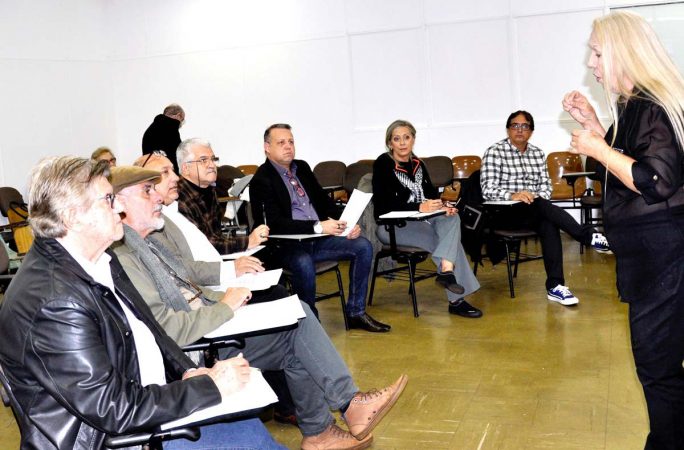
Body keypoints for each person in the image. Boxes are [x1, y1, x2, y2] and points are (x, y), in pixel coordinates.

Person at [110, 165, 408, 450]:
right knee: (297, 325)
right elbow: (168, 329)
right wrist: (225, 306)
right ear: (120, 203)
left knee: (297, 316)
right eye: (147, 191)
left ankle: (329, 423)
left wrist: (228, 292)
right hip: (199, 350)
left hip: (210, 324)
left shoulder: (147, 244)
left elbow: (189, 277)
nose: (158, 197)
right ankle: (333, 420)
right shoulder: (125, 258)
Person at [0, 156, 284, 450]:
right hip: (119, 438)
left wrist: (188, 371)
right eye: (108, 199)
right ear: (73, 217)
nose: (119, 208)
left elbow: (152, 329)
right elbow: (113, 410)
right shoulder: (55, 302)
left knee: (250, 426)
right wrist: (207, 387)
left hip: (148, 403)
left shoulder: (100, 260)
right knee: (252, 440)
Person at [563, 11, 684, 449]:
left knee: (658, 368)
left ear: (623, 52)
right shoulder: (636, 106)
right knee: (662, 365)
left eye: (597, 54)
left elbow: (656, 180)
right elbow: (628, 159)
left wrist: (597, 148)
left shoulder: (652, 105)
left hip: (663, 257)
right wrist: (595, 126)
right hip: (653, 256)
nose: (591, 63)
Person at [134, 152, 298, 426]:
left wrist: (235, 263)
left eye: (213, 158)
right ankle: (292, 407)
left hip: (210, 289)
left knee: (288, 306)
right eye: (163, 174)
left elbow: (201, 254)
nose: (174, 178)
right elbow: (188, 273)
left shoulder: (182, 207)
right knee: (288, 313)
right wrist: (232, 272)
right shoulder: (158, 222)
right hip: (206, 299)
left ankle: (301, 409)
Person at [250, 123, 390, 332]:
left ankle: (356, 312)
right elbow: (274, 223)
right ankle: (310, 324)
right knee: (303, 262)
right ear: (267, 148)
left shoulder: (302, 167)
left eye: (291, 142)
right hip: (285, 246)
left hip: (318, 240)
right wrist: (317, 227)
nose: (288, 146)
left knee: (362, 246)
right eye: (281, 143)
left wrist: (347, 224)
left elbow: (324, 203)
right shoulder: (261, 180)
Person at [481, 110, 611, 306]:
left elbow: (546, 188)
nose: (519, 130)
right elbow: (487, 189)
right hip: (503, 212)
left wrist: (532, 196)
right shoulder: (494, 152)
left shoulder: (537, 153)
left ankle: (555, 286)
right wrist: (514, 195)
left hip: (533, 209)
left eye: (525, 126)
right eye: (515, 125)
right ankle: (588, 236)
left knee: (547, 222)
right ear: (508, 129)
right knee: (542, 206)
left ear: (531, 131)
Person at [372, 119, 482, 318]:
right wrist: (418, 207)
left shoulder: (418, 164)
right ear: (390, 143)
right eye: (397, 139)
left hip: (423, 220)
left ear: (413, 139)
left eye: (407, 137)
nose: (402, 143)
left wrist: (442, 206)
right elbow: (383, 205)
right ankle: (456, 300)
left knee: (452, 219)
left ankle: (446, 271)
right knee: (447, 242)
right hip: (394, 226)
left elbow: (430, 195)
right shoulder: (383, 164)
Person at [176, 138, 268, 256]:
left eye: (213, 159)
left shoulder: (209, 189)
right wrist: (247, 242)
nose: (212, 165)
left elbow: (216, 236)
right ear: (186, 168)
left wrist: (247, 242)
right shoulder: (179, 198)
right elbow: (201, 246)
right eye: (203, 160)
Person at [142, 103, 185, 173]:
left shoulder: (151, 128)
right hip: (166, 172)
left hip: (151, 171)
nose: (181, 123)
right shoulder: (171, 127)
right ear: (178, 115)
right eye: (182, 120)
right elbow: (177, 154)